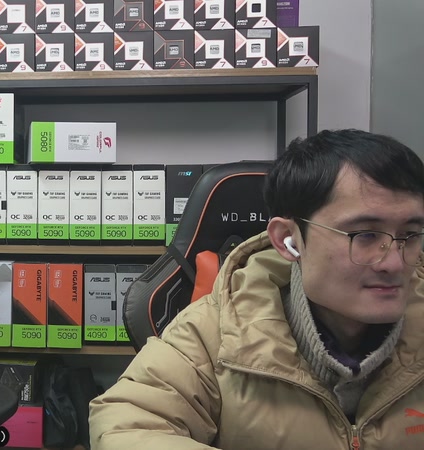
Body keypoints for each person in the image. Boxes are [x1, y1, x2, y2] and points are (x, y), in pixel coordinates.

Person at [89, 129, 424, 449]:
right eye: (365, 236)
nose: (395, 263)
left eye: (410, 235)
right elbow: (126, 424)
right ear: (288, 240)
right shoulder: (215, 332)